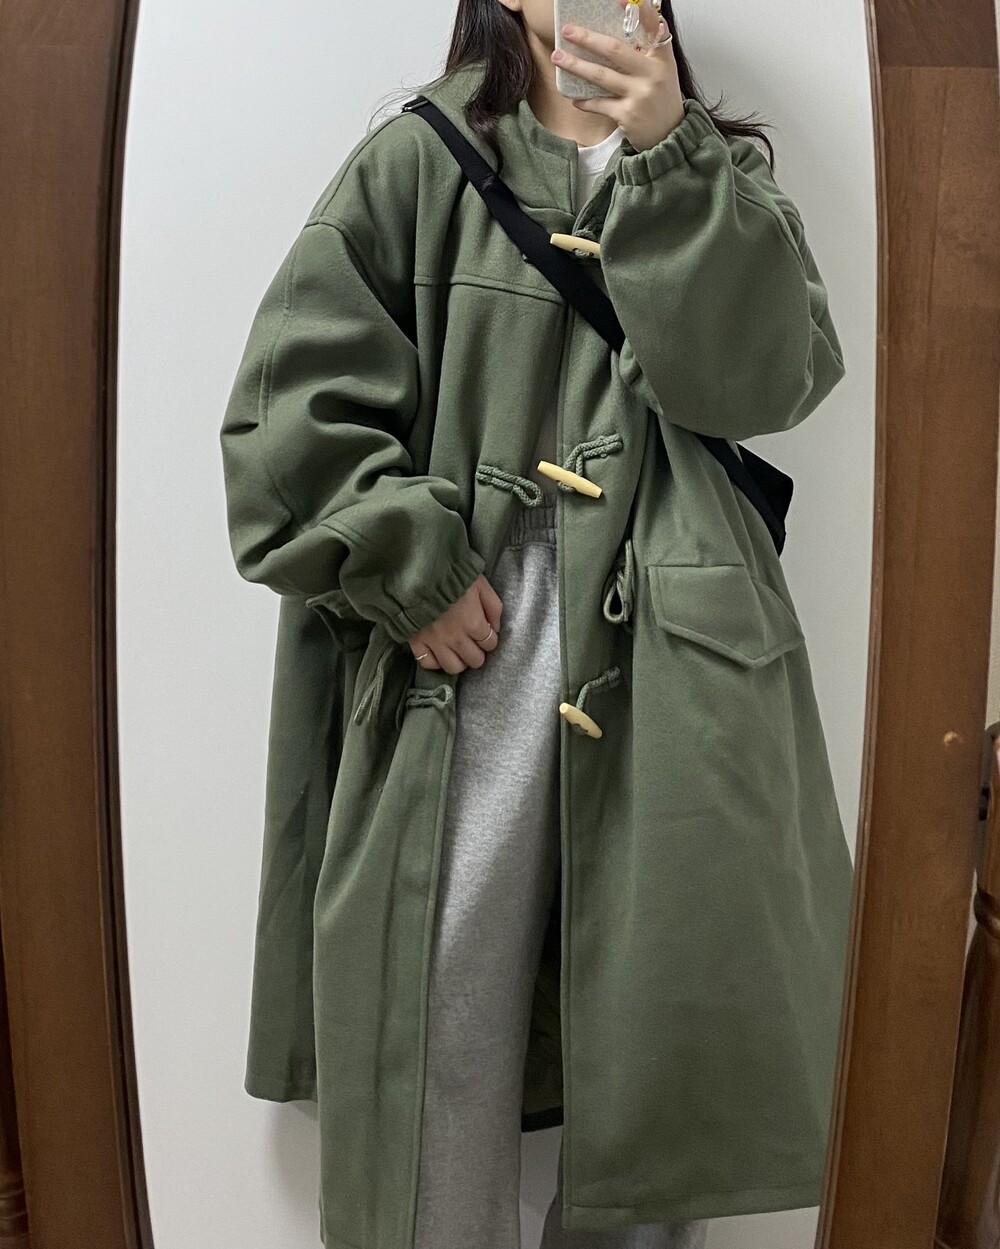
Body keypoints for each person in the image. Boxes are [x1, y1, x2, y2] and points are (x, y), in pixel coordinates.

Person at [219, 1, 851, 1247]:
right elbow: (284, 418)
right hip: (472, 638)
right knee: (437, 1000)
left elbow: (762, 382)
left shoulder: (718, 172)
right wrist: (412, 565)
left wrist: (672, 156)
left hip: (677, 642)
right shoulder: (417, 157)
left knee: (664, 1030)